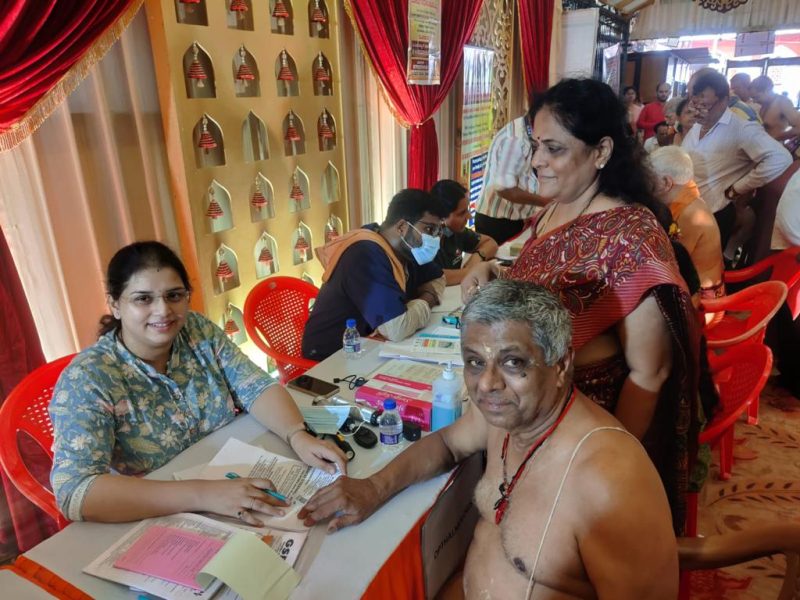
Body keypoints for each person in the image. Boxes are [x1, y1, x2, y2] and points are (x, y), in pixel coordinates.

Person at [298, 281, 679, 599]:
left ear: (561, 365)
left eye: (513, 363)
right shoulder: (503, 416)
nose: (487, 385)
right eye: (475, 361)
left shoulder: (611, 480)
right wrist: (374, 487)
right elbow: (447, 443)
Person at [461, 78, 700, 533]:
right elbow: (538, 291)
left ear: (602, 151)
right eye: (534, 146)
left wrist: (603, 466)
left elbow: (650, 373)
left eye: (553, 149)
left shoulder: (630, 236)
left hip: (582, 430)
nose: (535, 162)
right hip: (526, 415)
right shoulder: (553, 210)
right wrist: (489, 269)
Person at [50, 242, 346, 524]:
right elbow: (75, 493)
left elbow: (255, 385)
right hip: (160, 507)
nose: (163, 310)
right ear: (115, 305)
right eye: (143, 299)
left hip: (233, 480)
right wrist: (203, 493)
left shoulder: (196, 329)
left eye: (174, 295)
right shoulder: (88, 378)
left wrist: (297, 435)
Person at [301, 188, 448, 361]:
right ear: (402, 227)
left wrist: (414, 309)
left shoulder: (408, 249)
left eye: (438, 231)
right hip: (332, 357)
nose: (435, 238)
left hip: (370, 347)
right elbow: (397, 329)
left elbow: (439, 278)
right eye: (429, 229)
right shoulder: (365, 254)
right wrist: (428, 297)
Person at [682, 70, 792, 256]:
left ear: (724, 99)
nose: (697, 106)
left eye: (704, 101)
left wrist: (738, 188)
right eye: (693, 99)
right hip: (686, 209)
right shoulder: (698, 123)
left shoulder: (742, 128)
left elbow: (780, 158)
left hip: (713, 214)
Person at [650, 146, 724, 300]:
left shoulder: (689, 215)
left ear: (666, 183)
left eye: (649, 178)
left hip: (704, 302)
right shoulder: (685, 197)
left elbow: (671, 265)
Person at [474, 114, 548, 245]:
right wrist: (547, 202)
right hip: (497, 223)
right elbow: (505, 189)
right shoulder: (515, 140)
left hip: (512, 218)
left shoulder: (527, 133)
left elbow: (525, 176)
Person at [430, 179, 498, 286]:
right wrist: (473, 270)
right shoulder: (426, 242)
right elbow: (436, 277)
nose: (469, 216)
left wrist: (477, 257)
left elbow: (491, 243)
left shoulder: (452, 231)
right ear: (441, 217)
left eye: (467, 210)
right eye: (461, 213)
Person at [750, 75, 800, 157]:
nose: (755, 101)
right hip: (764, 151)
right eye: (753, 98)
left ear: (767, 90)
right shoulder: (764, 105)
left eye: (757, 97)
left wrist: (774, 138)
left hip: (776, 152)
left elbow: (798, 128)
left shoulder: (782, 102)